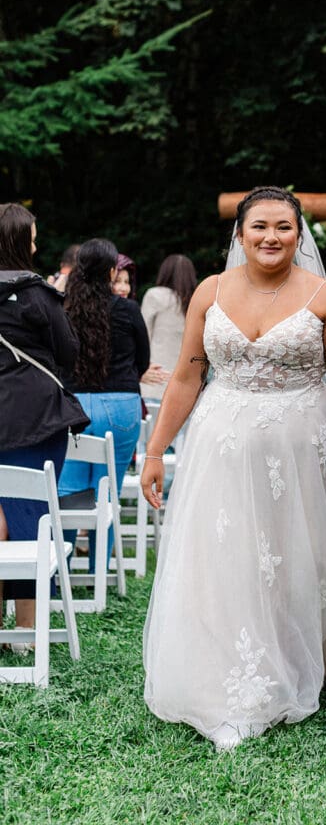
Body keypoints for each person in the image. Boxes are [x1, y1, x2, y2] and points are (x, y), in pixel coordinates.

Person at [141, 186, 326, 751]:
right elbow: (188, 375)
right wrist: (154, 451)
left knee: (305, 551)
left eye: (284, 228)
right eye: (259, 227)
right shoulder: (210, 293)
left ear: (299, 235)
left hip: (305, 446)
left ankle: (319, 648)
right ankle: (238, 677)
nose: (271, 237)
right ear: (239, 234)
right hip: (222, 445)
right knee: (234, 555)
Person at [0, 204, 87, 646]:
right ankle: (26, 629)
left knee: (1, 513)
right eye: (32, 237)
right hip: (35, 418)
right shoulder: (37, 295)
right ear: (19, 241)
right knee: (31, 514)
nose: (37, 244)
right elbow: (68, 352)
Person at [59, 239, 149, 566]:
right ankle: (99, 570)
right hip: (121, 405)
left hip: (73, 407)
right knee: (106, 490)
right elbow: (143, 361)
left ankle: (62, 570)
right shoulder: (128, 310)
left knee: (67, 490)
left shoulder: (64, 309)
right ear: (112, 271)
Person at [140, 254, 197, 401]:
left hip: (154, 383)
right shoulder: (196, 302)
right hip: (186, 388)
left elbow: (142, 336)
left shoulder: (155, 296)